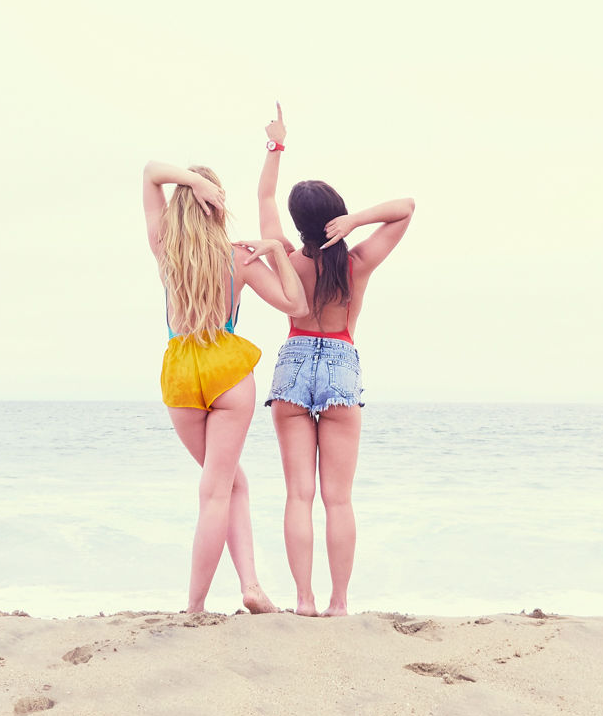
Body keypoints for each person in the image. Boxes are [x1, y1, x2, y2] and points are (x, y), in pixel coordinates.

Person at [256, 106, 415, 616]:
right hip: (342, 362)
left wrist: (276, 145)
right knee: (338, 499)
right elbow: (406, 208)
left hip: (293, 361)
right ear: (336, 214)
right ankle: (339, 603)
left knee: (298, 496)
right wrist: (357, 220)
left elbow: (264, 198)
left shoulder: (284, 256)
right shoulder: (357, 263)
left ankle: (303, 601)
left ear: (298, 223)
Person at [143, 159, 310, 615]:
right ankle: (201, 605)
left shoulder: (165, 249)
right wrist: (276, 251)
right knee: (220, 488)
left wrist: (191, 182)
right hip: (227, 369)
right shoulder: (239, 258)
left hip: (181, 371)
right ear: (216, 205)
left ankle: (243, 587)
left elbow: (151, 172)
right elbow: (296, 304)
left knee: (227, 483)